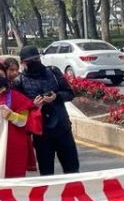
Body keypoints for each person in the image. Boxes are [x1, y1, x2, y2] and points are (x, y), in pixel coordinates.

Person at [13, 46, 79, 175]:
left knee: (72, 169)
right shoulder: (19, 81)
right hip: (40, 132)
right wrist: (33, 104)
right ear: (23, 63)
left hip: (62, 128)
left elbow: (70, 93)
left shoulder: (53, 72)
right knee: (46, 173)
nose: (34, 62)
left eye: (36, 59)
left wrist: (56, 96)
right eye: (30, 61)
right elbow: (18, 107)